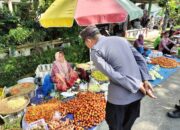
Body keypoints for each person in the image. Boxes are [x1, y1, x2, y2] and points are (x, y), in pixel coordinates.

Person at [80, 26, 156, 130]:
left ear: (88, 40)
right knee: (127, 125)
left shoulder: (96, 51)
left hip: (119, 99)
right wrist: (145, 80)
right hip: (137, 95)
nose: (87, 46)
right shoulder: (121, 39)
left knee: (115, 126)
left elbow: (113, 74)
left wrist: (136, 84)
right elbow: (140, 59)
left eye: (85, 43)